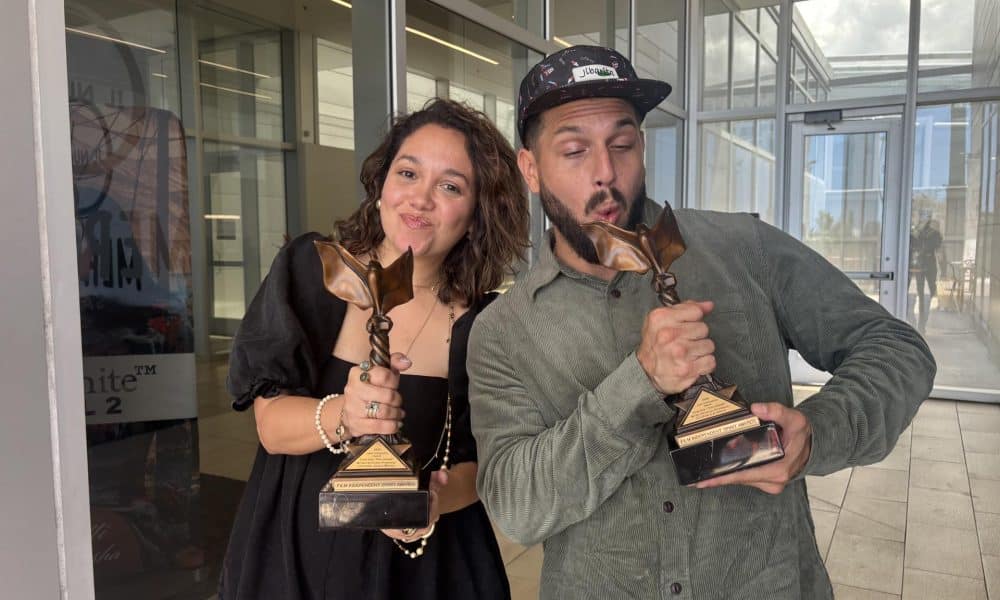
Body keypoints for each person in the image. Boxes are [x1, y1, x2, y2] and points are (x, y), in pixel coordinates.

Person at [467, 45, 936, 599]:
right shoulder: (503, 330)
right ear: (531, 168)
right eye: (573, 150)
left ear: (641, 148)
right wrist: (637, 385)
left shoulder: (743, 248)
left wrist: (818, 434)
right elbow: (517, 507)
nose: (605, 173)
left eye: (622, 144)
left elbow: (897, 348)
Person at [220, 98, 529, 600]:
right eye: (408, 173)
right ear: (382, 185)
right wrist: (346, 413)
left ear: (476, 215)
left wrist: (432, 503)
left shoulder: (486, 323)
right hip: (294, 555)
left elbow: (483, 465)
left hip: (422, 571)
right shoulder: (313, 272)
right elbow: (270, 426)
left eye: (450, 186)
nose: (420, 199)